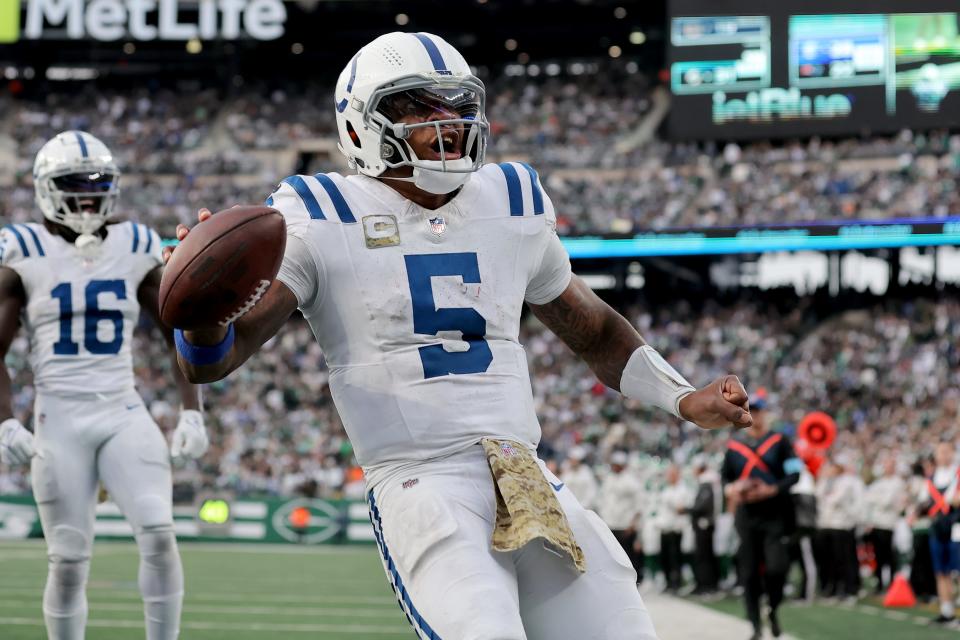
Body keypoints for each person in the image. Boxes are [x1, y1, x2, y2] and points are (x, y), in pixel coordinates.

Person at [168, 32, 753, 639]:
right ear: (359, 128)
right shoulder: (318, 213)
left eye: (454, 105)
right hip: (420, 479)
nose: (445, 123)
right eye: (417, 108)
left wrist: (683, 397)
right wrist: (204, 310)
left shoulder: (509, 199)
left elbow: (595, 330)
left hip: (524, 470)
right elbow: (216, 359)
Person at [0, 131, 207, 640]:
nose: (89, 195)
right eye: (75, 184)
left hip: (121, 409)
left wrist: (192, 409)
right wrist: (6, 420)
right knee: (68, 559)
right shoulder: (22, 247)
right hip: (58, 417)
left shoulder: (137, 241)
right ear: (47, 188)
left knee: (159, 533)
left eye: (98, 183)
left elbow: (175, 330)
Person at [721, 389, 800, 640]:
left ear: (765, 413)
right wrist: (734, 489)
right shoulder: (734, 446)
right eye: (750, 410)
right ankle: (755, 624)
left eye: (757, 410)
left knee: (777, 568)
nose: (754, 414)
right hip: (746, 515)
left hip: (774, 513)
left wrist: (772, 489)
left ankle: (773, 608)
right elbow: (725, 478)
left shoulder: (780, 441)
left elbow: (795, 474)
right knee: (749, 572)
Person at [917, 442, 960, 625]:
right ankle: (946, 611)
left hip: (956, 526)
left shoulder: (957, 475)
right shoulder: (931, 478)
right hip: (937, 527)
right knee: (940, 571)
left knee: (958, 571)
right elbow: (922, 502)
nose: (942, 455)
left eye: (946, 451)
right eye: (939, 452)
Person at [597, 450, 645, 584]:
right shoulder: (609, 478)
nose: (614, 466)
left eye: (617, 464)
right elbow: (604, 500)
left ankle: (634, 581)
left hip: (625, 525)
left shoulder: (631, 481)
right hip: (610, 523)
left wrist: (633, 524)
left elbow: (639, 504)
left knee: (628, 556)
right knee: (612, 555)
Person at [864, 457, 906, 593]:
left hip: (889, 524)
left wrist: (879, 501)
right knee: (878, 555)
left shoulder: (897, 483)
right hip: (877, 523)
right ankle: (879, 583)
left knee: (889, 555)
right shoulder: (878, 483)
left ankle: (892, 583)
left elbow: (888, 502)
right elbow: (870, 500)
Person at [689, 456, 721, 595]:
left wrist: (687, 509)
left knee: (704, 556)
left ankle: (707, 585)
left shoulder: (706, 482)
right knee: (704, 555)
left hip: (705, 524)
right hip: (706, 523)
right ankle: (706, 584)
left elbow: (702, 506)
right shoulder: (709, 482)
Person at [657, 464, 691, 592]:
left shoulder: (683, 490)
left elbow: (682, 508)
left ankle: (677, 583)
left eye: (672, 474)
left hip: (676, 528)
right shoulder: (666, 490)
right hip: (665, 527)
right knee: (664, 557)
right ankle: (668, 582)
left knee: (675, 557)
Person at [559, 445, 599, 510]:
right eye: (571, 459)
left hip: (582, 508)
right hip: (566, 508)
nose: (572, 462)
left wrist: (582, 507)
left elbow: (591, 493)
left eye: (574, 460)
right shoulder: (566, 472)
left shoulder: (587, 473)